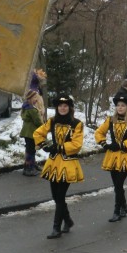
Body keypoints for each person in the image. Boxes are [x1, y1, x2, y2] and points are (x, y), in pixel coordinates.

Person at [33, 95, 84, 239]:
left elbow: (77, 144)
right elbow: (38, 133)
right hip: (54, 163)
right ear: (57, 108)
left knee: (60, 196)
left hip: (68, 164)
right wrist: (44, 145)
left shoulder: (77, 124)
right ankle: (67, 220)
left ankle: (56, 228)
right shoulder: (52, 121)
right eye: (60, 106)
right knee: (55, 196)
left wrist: (60, 147)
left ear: (70, 108)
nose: (62, 108)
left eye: (65, 106)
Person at [95, 93, 127, 222]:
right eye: (118, 105)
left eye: (123, 105)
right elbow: (99, 132)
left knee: (119, 183)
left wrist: (121, 145)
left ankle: (117, 211)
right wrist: (104, 144)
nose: (120, 107)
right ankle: (124, 206)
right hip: (113, 157)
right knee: (117, 185)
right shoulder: (110, 120)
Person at [20, 89, 43, 176]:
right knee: (31, 150)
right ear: (29, 98)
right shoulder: (32, 110)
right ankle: (29, 169)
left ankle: (30, 165)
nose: (36, 99)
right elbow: (37, 121)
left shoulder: (25, 107)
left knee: (29, 149)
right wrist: (44, 127)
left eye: (36, 97)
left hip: (27, 133)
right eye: (34, 98)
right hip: (31, 133)